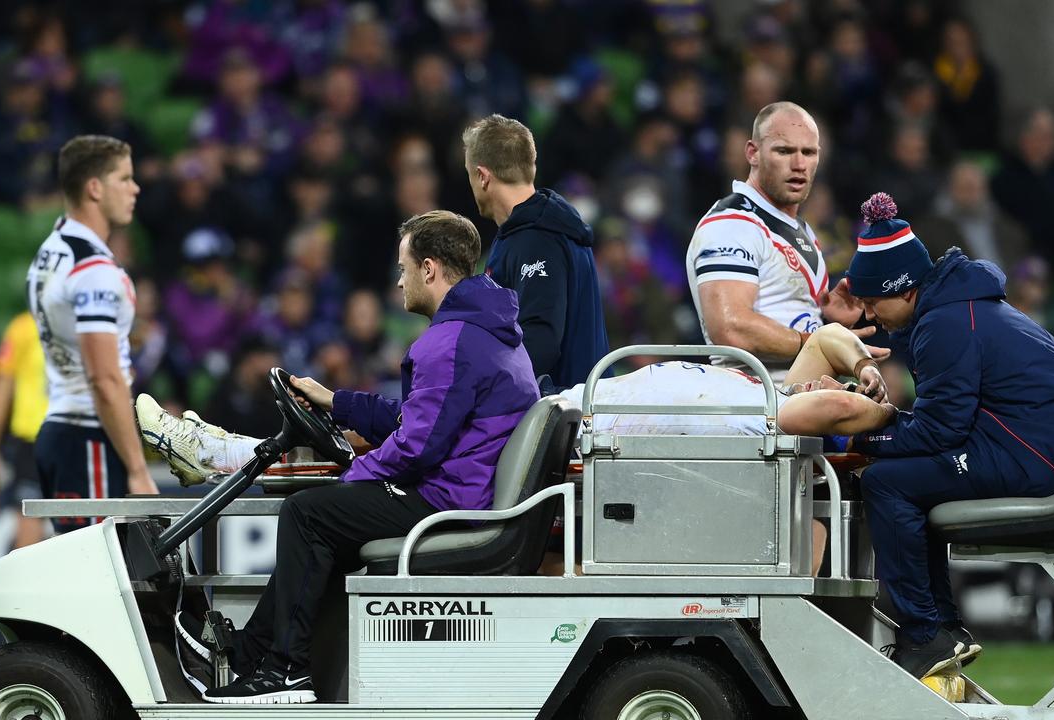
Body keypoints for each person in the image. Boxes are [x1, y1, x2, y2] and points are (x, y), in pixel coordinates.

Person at [145, 210, 540, 704]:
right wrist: (335, 401)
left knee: (308, 513)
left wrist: (355, 472)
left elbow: (417, 445)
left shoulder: (450, 342)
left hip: (446, 505)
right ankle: (251, 656)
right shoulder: (491, 331)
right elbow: (418, 417)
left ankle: (287, 672)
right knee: (325, 516)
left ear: (430, 269)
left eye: (403, 268)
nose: (398, 281)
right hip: (463, 493)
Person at [141, 322, 894, 580]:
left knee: (399, 438)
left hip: (554, 423)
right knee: (390, 432)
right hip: (556, 411)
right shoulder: (763, 392)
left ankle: (218, 449)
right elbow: (821, 352)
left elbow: (831, 405)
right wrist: (856, 356)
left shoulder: (766, 416)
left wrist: (873, 395)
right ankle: (225, 446)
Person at [840, 192, 1054, 679]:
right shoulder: (958, 307)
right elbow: (944, 421)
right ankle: (944, 630)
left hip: (1030, 455)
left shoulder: (946, 322)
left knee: (886, 483)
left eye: (872, 302)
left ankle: (924, 632)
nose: (871, 315)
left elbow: (940, 428)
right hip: (1041, 448)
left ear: (904, 289)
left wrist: (862, 441)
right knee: (907, 477)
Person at [686, 101, 878, 376]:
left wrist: (825, 318)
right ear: (753, 153)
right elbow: (730, 328)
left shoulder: (801, 229)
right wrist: (822, 344)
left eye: (808, 152)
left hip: (798, 394)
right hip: (756, 402)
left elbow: (785, 315)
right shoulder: (732, 224)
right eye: (784, 151)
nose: (799, 164)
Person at [28, 135, 157, 534]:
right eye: (124, 178)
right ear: (95, 188)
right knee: (103, 580)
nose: (135, 188)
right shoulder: (94, 269)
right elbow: (103, 378)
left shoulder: (51, 251)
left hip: (61, 429)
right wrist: (138, 470)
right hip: (89, 437)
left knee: (81, 578)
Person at [463, 113, 608, 391]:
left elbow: (540, 340)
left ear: (482, 176)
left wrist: (483, 393)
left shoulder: (537, 238)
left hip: (566, 417)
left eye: (470, 175)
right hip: (580, 409)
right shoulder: (534, 230)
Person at [0, 312, 48, 549]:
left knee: (77, 529)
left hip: (75, 439)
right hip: (32, 441)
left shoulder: (84, 324)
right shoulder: (23, 329)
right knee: (29, 530)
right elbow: (1, 390)